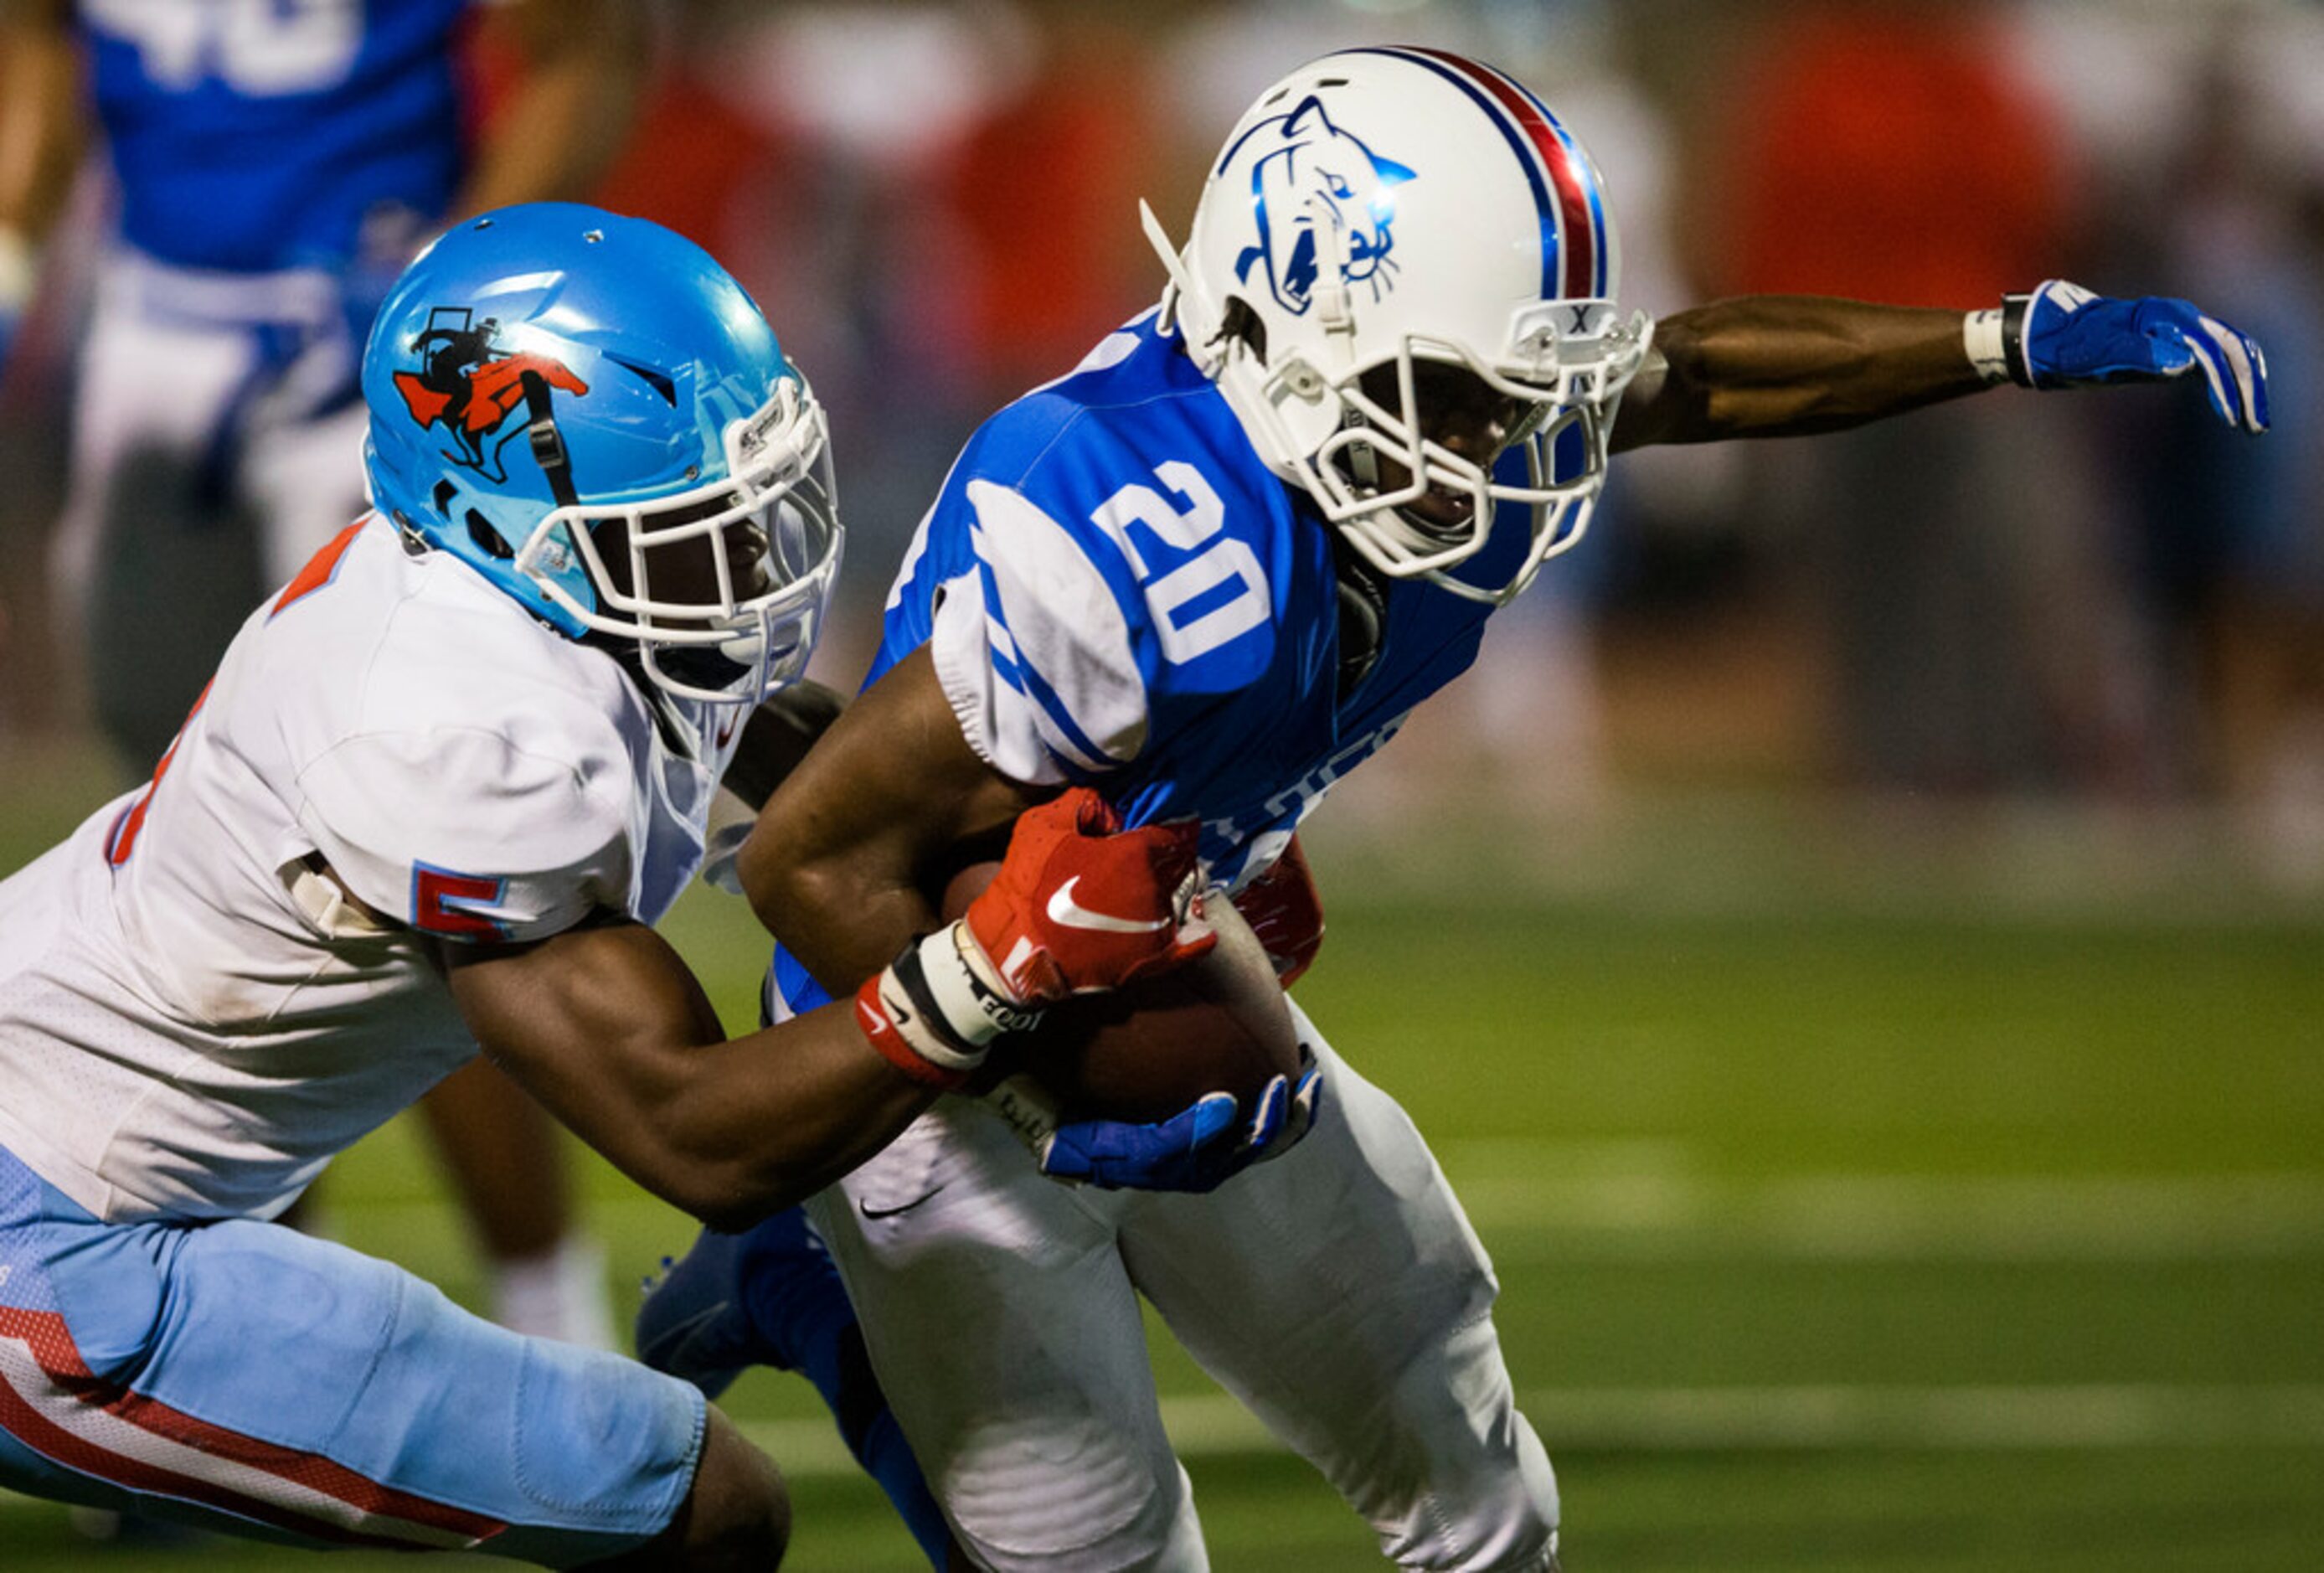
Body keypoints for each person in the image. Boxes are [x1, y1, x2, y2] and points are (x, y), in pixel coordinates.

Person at [643, 46, 2270, 1572]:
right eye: (1449, 396)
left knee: (1472, 1472)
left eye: (1504, 400)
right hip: (925, 1041)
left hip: (1149, 943)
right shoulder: (1113, 522)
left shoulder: (1429, 413)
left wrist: (1996, 341)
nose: (1489, 447)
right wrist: (1023, 1063)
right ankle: (814, 1270)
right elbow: (809, 858)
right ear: (1278, 324)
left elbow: (1687, 369)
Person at [0, 203, 1231, 1565]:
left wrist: (1118, 805)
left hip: (103, 1157)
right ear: (504, 518)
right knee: (701, 1505)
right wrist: (997, 963)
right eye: (700, 537)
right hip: (52, 1236)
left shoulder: (521, 602)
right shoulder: (448, 722)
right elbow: (696, 1136)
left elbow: (818, 776)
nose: (756, 574)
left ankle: (802, 1294)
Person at [0, 0, 651, 1353]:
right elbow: (39, 52)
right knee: (188, 861)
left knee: (434, 854)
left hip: (372, 341)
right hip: (151, 335)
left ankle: (556, 1323)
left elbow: (589, 51)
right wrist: (11, 253)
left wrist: (445, 294)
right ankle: (243, 1336)